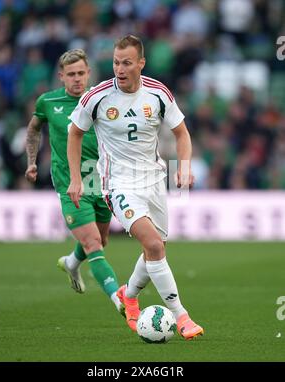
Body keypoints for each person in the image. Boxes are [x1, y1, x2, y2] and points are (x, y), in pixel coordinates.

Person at [66, 36, 204, 340]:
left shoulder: (158, 93)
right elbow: (74, 135)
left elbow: (181, 133)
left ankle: (129, 294)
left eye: (127, 62)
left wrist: (183, 166)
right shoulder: (98, 96)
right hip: (118, 184)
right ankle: (182, 316)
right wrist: (77, 178)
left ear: (141, 63)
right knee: (153, 246)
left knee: (157, 249)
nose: (120, 68)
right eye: (116, 62)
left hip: (154, 180)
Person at [25, 49, 124, 315]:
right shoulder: (48, 102)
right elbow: (34, 128)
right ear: (61, 77)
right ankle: (120, 300)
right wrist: (32, 161)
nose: (77, 79)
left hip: (101, 181)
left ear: (88, 73)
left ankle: (71, 262)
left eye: (81, 73)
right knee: (93, 243)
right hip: (70, 184)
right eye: (71, 74)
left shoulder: (101, 99)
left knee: (101, 240)